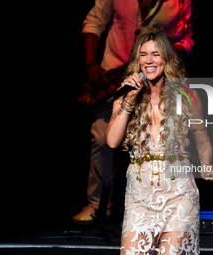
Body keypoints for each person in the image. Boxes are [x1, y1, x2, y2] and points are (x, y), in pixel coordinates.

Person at [73, 0, 195, 224]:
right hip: (114, 74)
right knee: (101, 137)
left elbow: (187, 40)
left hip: (156, 80)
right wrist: (91, 64)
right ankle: (97, 205)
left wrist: (164, 53)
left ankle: (160, 206)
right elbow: (93, 22)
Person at [106, 32, 213, 254]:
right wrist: (129, 101)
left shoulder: (187, 96)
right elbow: (112, 141)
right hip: (139, 196)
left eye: (155, 54)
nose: (148, 60)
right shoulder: (125, 95)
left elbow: (202, 137)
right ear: (137, 61)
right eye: (143, 55)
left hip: (179, 194)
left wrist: (207, 166)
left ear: (166, 59)